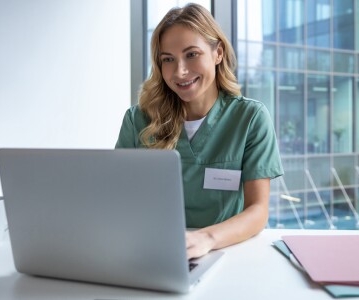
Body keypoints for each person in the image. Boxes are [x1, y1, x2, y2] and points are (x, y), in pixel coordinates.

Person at [116, 3, 283, 259]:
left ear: (218, 53)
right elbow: (118, 199)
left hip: (224, 252)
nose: (180, 71)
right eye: (168, 59)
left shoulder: (250, 119)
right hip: (153, 253)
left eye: (191, 54)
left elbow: (257, 211)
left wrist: (205, 239)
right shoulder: (137, 120)